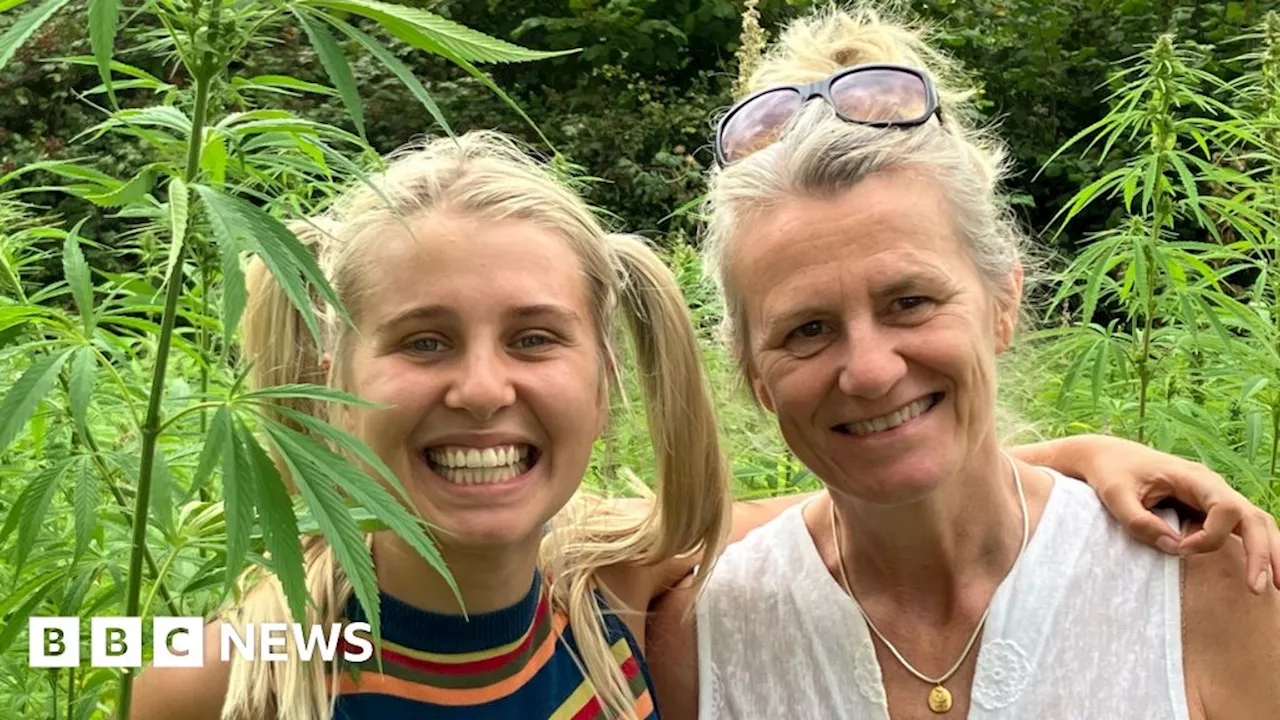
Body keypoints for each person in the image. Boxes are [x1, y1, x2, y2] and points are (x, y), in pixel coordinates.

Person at [130, 131, 1276, 720]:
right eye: (421, 342)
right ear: (333, 372)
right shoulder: (231, 676)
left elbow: (885, 485)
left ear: (603, 375)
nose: (481, 389)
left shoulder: (611, 609)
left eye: (533, 338)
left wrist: (1074, 463)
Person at [646, 6, 1280, 719]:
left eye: (910, 301)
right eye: (808, 329)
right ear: (755, 376)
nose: (872, 371)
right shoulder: (704, 638)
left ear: (1002, 301)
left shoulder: (1205, 581)